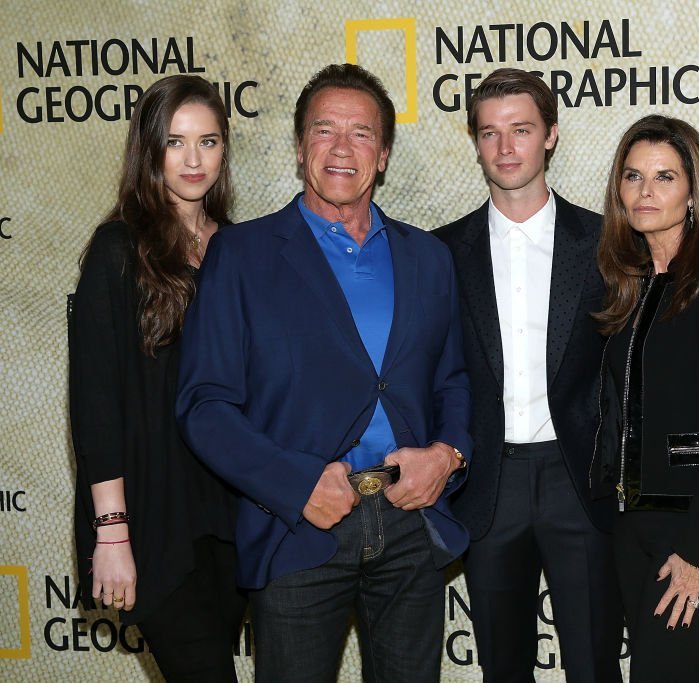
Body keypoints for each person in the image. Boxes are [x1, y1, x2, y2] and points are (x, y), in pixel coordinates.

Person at [175, 63, 472, 683]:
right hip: (299, 529)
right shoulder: (242, 254)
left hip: (411, 523)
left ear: (383, 153)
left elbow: (454, 381)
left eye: (361, 133)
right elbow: (205, 405)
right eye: (324, 130)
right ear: (300, 145)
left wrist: (448, 455)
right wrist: (295, 483)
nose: (342, 148)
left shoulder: (429, 258)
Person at [435, 68, 623, 683]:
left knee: (595, 666)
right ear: (475, 142)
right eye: (490, 133)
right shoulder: (442, 253)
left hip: (579, 482)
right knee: (502, 671)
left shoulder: (604, 243)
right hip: (488, 485)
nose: (506, 147)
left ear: (551, 136)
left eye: (521, 130)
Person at [69, 74, 246, 681]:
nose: (194, 159)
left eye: (209, 141)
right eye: (176, 142)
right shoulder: (119, 249)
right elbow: (97, 403)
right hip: (149, 515)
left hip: (228, 513)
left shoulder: (236, 249)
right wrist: (111, 533)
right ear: (150, 150)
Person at [589, 115, 699, 682]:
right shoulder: (627, 282)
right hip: (632, 524)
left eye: (664, 177)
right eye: (633, 176)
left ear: (694, 191)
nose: (645, 192)